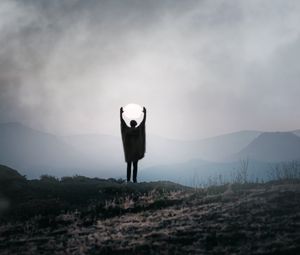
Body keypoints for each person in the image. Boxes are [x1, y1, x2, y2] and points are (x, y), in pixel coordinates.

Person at [120, 106, 146, 183]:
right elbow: (143, 122)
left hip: (129, 152)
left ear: (130, 124)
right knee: (135, 167)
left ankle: (128, 180)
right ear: (135, 124)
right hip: (135, 152)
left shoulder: (127, 130)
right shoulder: (138, 130)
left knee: (129, 166)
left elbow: (122, 122)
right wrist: (145, 113)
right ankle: (134, 180)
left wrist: (120, 113)